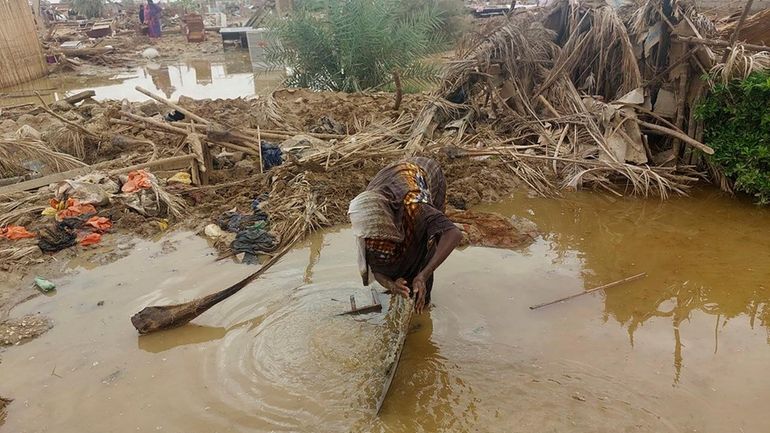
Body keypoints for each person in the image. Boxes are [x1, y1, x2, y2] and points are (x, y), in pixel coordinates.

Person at [348, 157, 462, 313]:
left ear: (388, 223)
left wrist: (423, 275)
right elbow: (377, 269)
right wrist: (392, 285)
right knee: (391, 253)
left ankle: (422, 293)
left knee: (426, 241)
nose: (375, 241)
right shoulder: (367, 220)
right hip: (392, 180)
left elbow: (453, 234)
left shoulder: (414, 205)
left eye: (380, 236)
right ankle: (408, 284)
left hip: (426, 174)